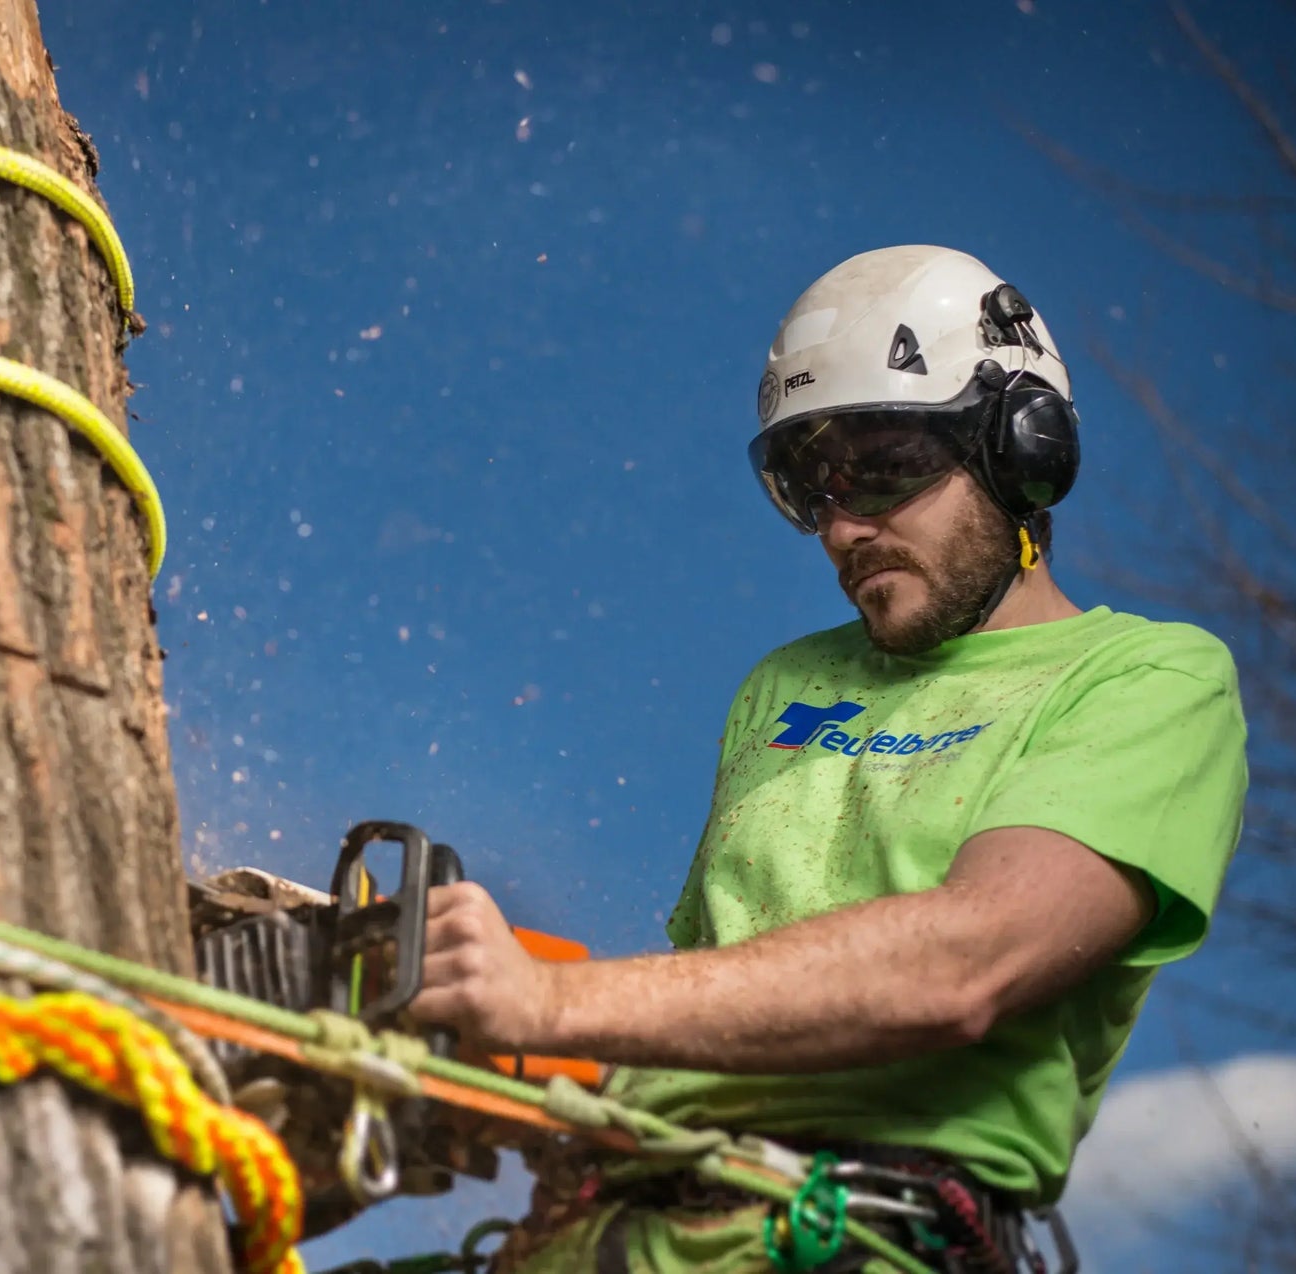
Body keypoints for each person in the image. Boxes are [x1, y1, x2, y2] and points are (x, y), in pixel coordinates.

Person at [406, 244, 1250, 1272]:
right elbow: (718, 991)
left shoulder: (1146, 679)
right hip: (613, 1221)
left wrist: (544, 1000)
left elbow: (968, 962)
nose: (846, 526)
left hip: (850, 1234)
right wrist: (495, 1053)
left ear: (1023, 448)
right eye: (813, 487)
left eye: (886, 469)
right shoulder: (787, 684)